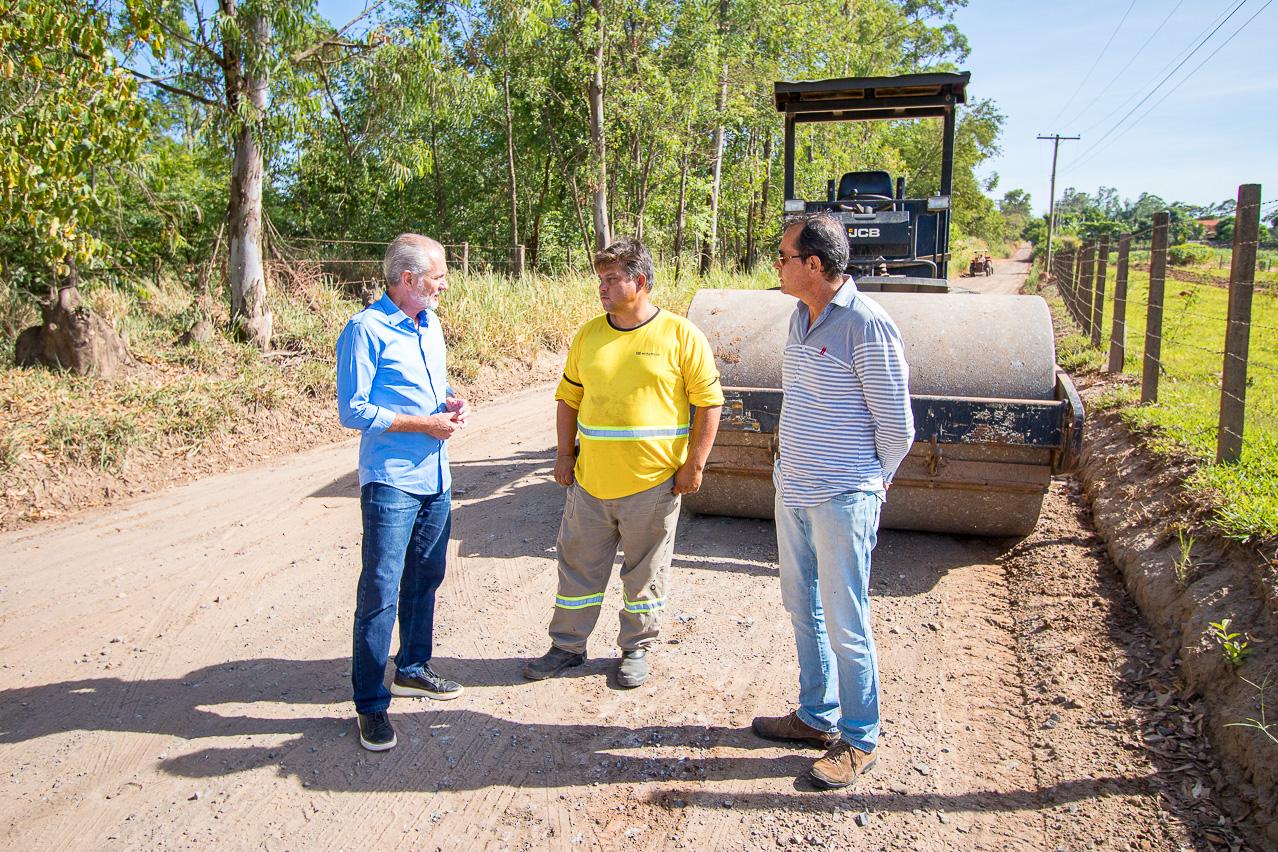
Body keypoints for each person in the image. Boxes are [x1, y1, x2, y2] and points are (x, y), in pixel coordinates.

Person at [752, 213, 914, 789]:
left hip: (843, 497)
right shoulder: (801, 315)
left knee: (848, 622)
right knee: (803, 608)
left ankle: (860, 737)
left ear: (813, 265)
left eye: (784, 256)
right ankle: (815, 716)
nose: (778, 264)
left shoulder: (869, 326)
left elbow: (897, 427)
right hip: (792, 489)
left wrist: (870, 483)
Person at [523, 237, 724, 688]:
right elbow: (568, 398)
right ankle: (567, 647)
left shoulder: (680, 335)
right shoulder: (589, 335)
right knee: (577, 569)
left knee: (645, 573)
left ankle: (636, 649)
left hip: (652, 486)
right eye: (601, 279)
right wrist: (563, 454)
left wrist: (695, 465)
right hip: (591, 484)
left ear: (641, 282)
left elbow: (709, 403)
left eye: (612, 279)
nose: (603, 288)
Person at [336, 233, 471, 752]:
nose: (443, 284)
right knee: (380, 592)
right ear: (408, 279)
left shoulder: (429, 323)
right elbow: (354, 410)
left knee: (426, 576)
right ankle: (371, 705)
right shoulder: (364, 330)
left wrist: (449, 403)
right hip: (391, 480)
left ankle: (412, 667)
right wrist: (423, 424)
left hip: (436, 476)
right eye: (437, 276)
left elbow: (428, 391)